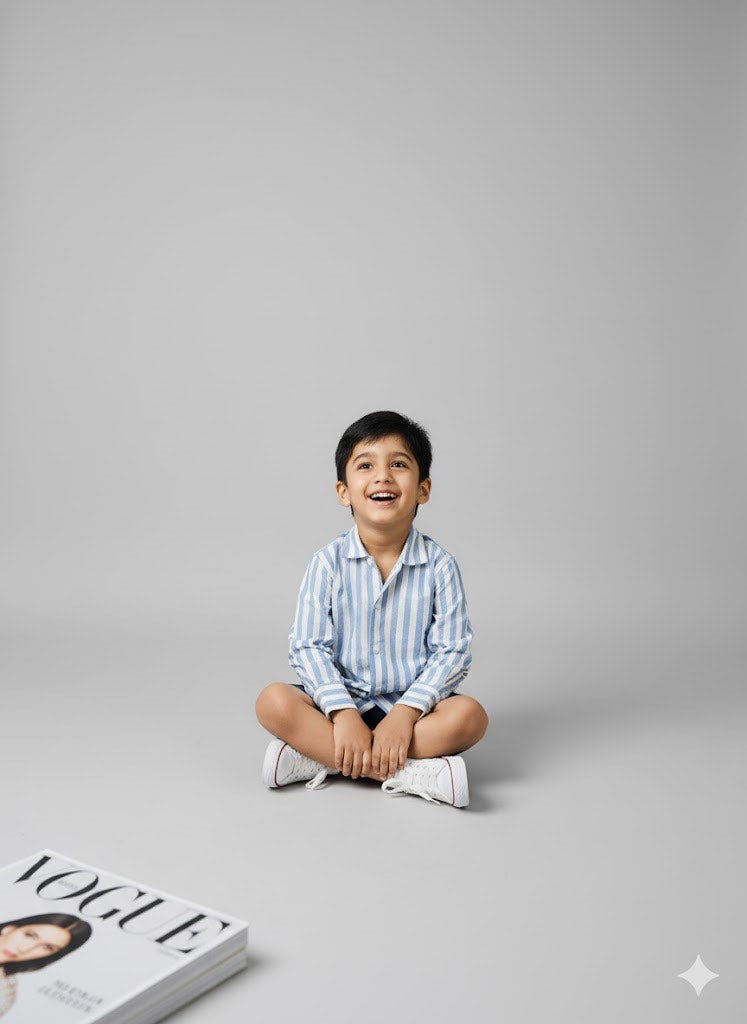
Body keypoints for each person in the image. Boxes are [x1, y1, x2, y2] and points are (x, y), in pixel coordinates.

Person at [255, 410, 488, 808]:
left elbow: (452, 651)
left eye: (399, 464)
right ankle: (412, 772)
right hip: (337, 709)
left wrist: (405, 713)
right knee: (273, 702)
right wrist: (343, 712)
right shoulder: (327, 563)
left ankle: (319, 759)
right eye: (366, 466)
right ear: (344, 491)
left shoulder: (440, 566)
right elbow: (308, 645)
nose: (383, 476)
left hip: (413, 715)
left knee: (470, 717)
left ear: (423, 489)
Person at [0, 913, 92, 1017]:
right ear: (9, 929)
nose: (24, 949)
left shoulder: (4, 993)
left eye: (47, 947)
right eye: (29, 935)